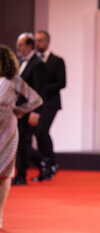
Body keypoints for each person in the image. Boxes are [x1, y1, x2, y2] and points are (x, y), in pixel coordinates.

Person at [0, 45, 42, 228]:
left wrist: (18, 110)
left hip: (6, 129)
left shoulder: (14, 81)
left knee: (4, 172)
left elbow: (36, 99)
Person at [12, 33, 48, 185]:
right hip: (18, 109)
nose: (18, 48)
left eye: (21, 45)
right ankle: (44, 162)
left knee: (23, 142)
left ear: (29, 46)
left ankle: (21, 175)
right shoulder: (21, 62)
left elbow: (40, 90)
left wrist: (36, 112)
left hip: (29, 109)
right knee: (19, 141)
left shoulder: (37, 64)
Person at [31, 30, 66, 181]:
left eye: (40, 40)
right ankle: (47, 166)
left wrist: (42, 89)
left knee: (41, 131)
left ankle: (50, 162)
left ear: (47, 42)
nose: (37, 43)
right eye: (36, 41)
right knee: (38, 134)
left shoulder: (57, 61)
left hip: (51, 103)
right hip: (35, 104)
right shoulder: (33, 62)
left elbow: (62, 82)